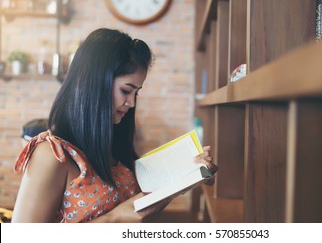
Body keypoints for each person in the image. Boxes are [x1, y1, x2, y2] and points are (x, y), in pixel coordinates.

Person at [11, 28, 217, 223]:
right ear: (94, 83)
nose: (132, 103)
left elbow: (135, 206)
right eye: (126, 90)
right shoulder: (52, 154)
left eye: (136, 92)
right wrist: (113, 219)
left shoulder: (110, 141)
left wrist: (187, 175)